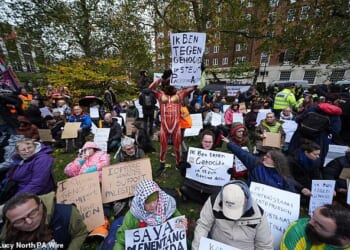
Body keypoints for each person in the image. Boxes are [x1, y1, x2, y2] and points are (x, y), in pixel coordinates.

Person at [192, 180, 274, 250]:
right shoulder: (213, 202)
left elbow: (264, 246)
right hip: (216, 245)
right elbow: (203, 226)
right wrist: (197, 248)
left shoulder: (258, 215)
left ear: (245, 201)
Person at [148, 70, 196, 176]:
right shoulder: (160, 94)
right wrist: (162, 77)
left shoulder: (180, 94)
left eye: (171, 82)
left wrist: (198, 72)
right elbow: (150, 88)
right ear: (164, 83)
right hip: (164, 126)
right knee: (163, 146)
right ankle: (162, 164)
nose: (169, 84)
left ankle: (178, 164)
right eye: (167, 81)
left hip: (176, 125)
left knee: (177, 146)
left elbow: (194, 87)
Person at [114, 180, 186, 250]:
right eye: (148, 202)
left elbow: (176, 214)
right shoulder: (132, 217)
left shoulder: (165, 204)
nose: (153, 205)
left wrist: (181, 222)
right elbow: (121, 241)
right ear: (141, 202)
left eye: (155, 200)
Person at [0, 192, 88, 249]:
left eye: (32, 213)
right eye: (19, 221)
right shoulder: (7, 234)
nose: (29, 222)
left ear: (41, 206)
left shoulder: (67, 213)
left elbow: (80, 233)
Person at [222, 136, 296, 192]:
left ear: (275, 161)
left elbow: (290, 194)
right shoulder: (256, 164)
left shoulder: (284, 177)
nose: (264, 157)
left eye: (267, 157)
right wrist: (229, 143)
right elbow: (243, 154)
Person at [288, 102, 342, 167]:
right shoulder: (335, 115)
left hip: (301, 135)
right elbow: (335, 131)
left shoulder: (313, 108)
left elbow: (298, 119)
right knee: (317, 157)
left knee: (295, 154)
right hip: (319, 139)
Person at [178, 129, 222, 204]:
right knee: (183, 187)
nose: (207, 144)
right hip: (195, 183)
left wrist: (228, 172)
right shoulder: (192, 153)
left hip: (210, 183)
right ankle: (206, 200)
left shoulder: (219, 156)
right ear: (201, 141)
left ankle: (197, 198)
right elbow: (183, 173)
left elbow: (221, 176)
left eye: (210, 142)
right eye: (205, 141)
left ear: (213, 142)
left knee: (219, 191)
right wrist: (184, 166)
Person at [280, 204, 350, 250]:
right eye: (313, 216)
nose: (310, 222)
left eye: (319, 225)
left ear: (344, 239)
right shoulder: (298, 231)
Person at [288, 140, 322, 205]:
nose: (318, 156)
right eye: (315, 154)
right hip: (296, 185)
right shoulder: (292, 160)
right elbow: (288, 177)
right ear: (306, 152)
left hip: (307, 184)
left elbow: (316, 175)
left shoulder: (315, 160)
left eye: (318, 154)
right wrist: (301, 188)